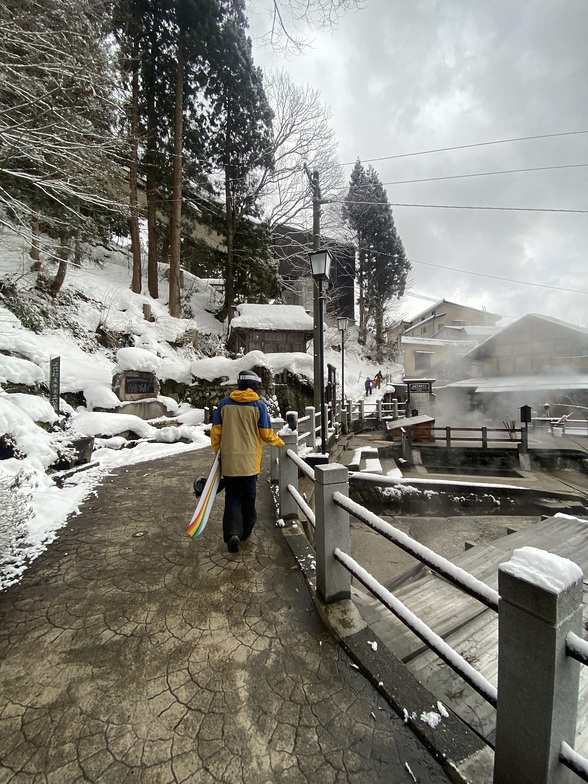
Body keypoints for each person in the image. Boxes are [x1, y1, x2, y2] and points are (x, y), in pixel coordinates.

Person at [210, 370, 285, 553]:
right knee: (249, 499)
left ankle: (232, 533)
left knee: (232, 498)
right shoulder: (259, 406)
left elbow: (215, 434)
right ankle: (245, 531)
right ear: (254, 386)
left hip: (230, 463)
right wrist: (281, 443)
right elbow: (266, 434)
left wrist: (219, 453)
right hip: (250, 463)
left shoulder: (223, 405)